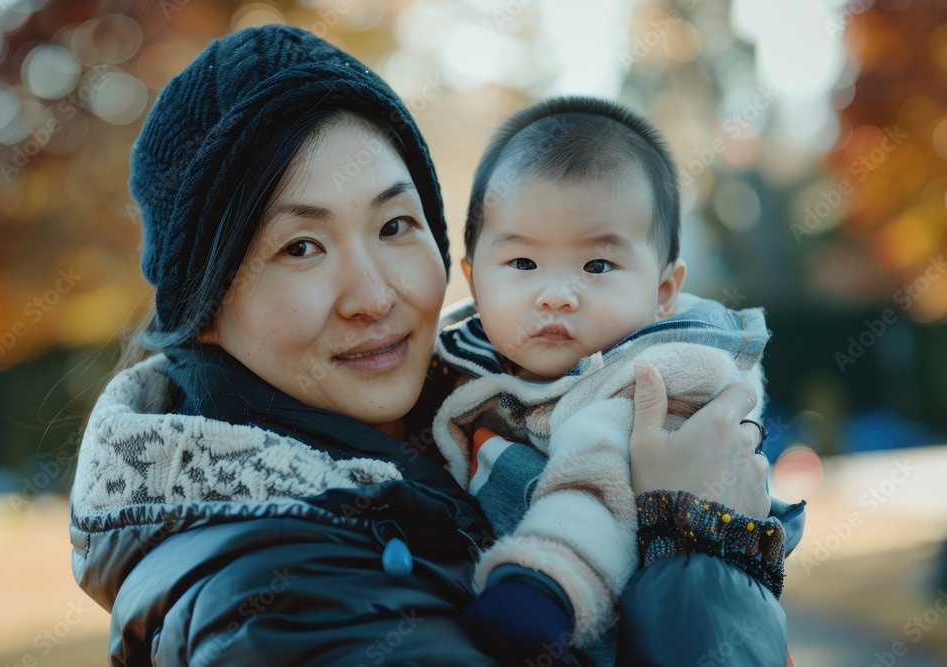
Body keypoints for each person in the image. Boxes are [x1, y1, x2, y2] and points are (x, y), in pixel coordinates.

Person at [68, 24, 802, 666]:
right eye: (300, 246)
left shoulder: (473, 426)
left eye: (394, 226)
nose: (376, 296)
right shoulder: (275, 600)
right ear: (204, 309)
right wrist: (703, 550)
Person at [429, 96, 804, 663]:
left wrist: (542, 586)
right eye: (523, 264)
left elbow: (593, 488)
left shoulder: (654, 381)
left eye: (597, 266)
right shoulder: (454, 358)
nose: (556, 293)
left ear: (662, 293)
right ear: (474, 283)